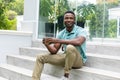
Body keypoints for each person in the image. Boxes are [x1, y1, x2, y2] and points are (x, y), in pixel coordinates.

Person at [32, 11, 87, 80]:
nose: (69, 20)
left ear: (74, 20)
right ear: (64, 20)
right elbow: (54, 51)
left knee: (70, 47)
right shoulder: (61, 33)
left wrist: (56, 40)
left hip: (78, 60)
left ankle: (65, 75)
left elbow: (78, 42)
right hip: (66, 58)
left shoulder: (81, 30)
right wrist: (47, 45)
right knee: (40, 57)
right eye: (66, 18)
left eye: (71, 18)